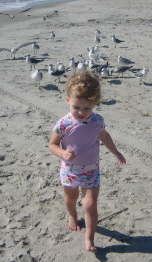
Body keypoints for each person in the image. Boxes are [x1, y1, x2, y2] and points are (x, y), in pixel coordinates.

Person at [48, 71, 126, 252]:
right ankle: (72, 216)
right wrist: (62, 153)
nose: (82, 112)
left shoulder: (97, 121)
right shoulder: (63, 124)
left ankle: (89, 238)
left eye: (87, 108)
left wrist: (116, 152)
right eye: (77, 107)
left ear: (94, 104)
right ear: (67, 100)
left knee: (90, 204)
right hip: (70, 170)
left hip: (91, 170)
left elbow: (104, 137)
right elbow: (52, 145)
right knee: (71, 197)